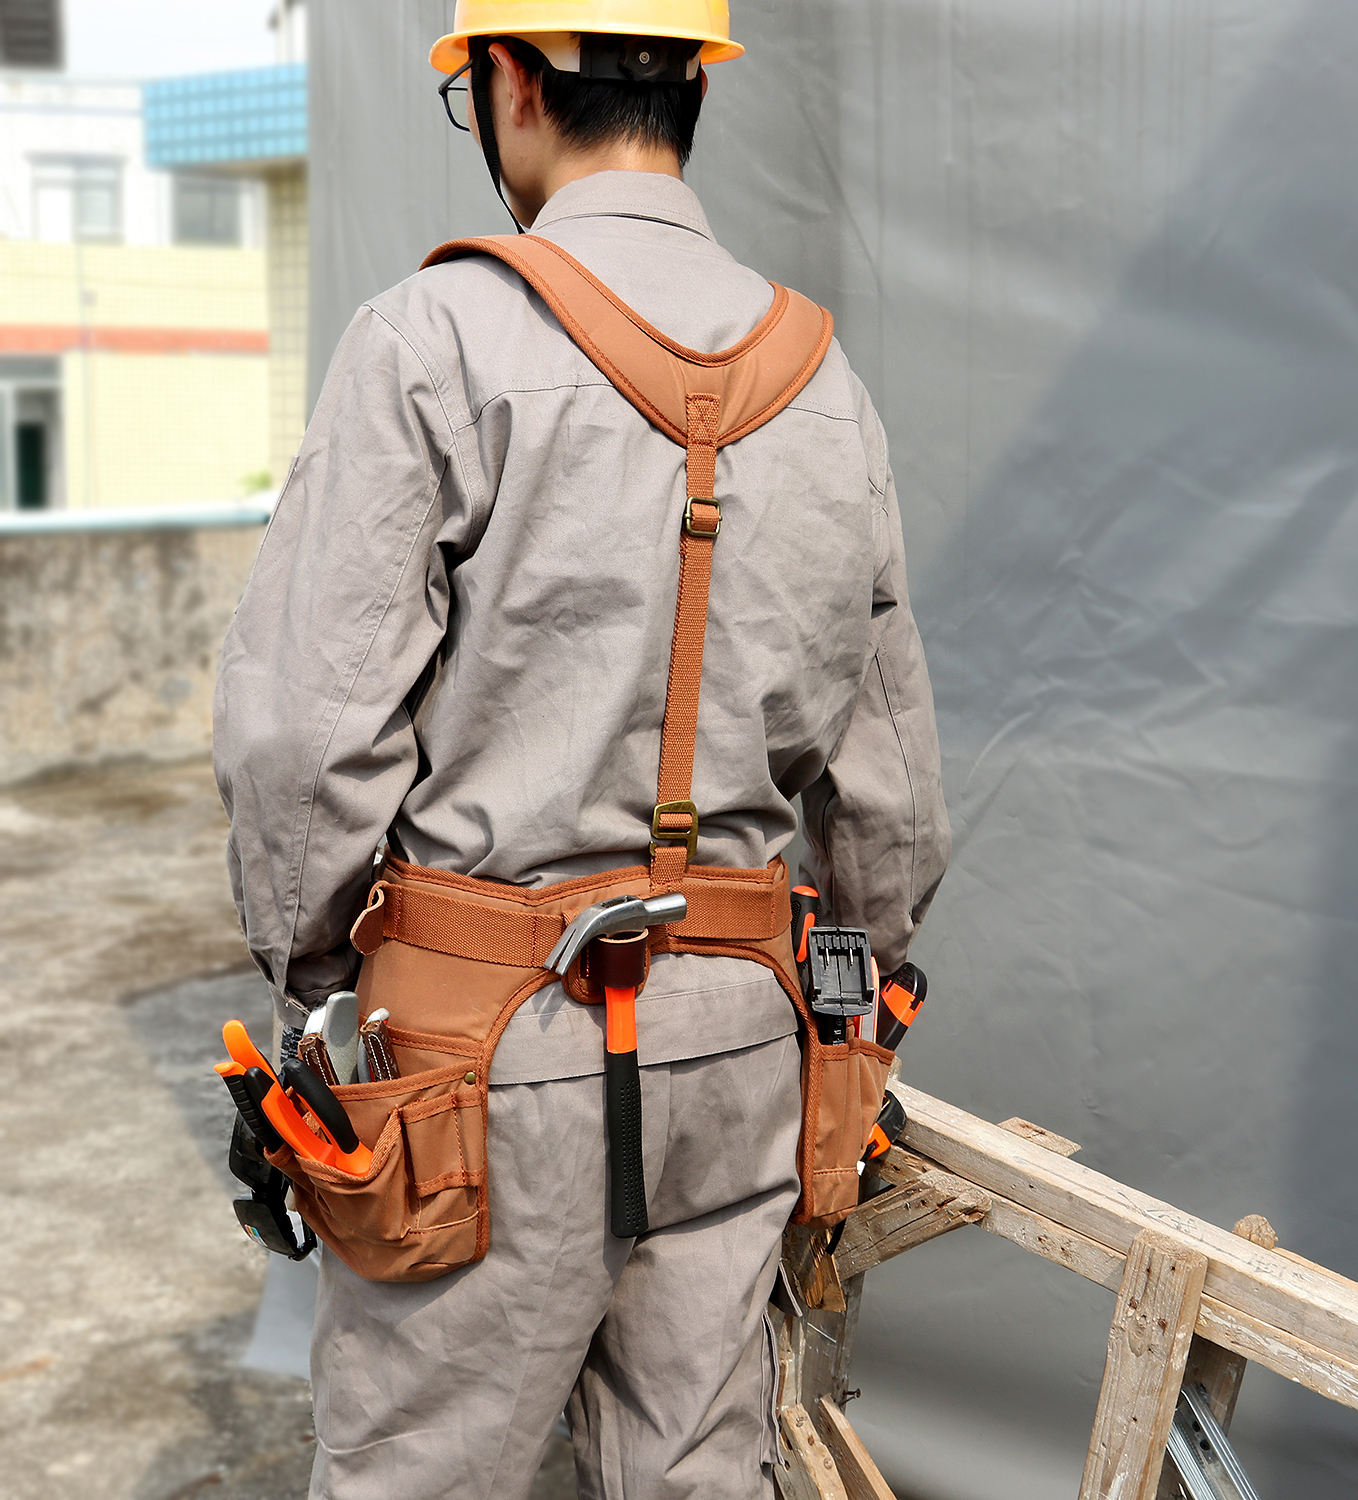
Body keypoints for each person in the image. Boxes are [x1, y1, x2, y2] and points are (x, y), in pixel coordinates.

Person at [213, 2, 949, 1495]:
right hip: (747, 1042)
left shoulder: (428, 341)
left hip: (473, 1058)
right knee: (696, 1472)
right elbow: (887, 791)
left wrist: (320, 994)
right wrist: (858, 989)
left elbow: (304, 740)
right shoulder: (823, 380)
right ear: (690, 85)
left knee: (423, 1473)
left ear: (507, 80)